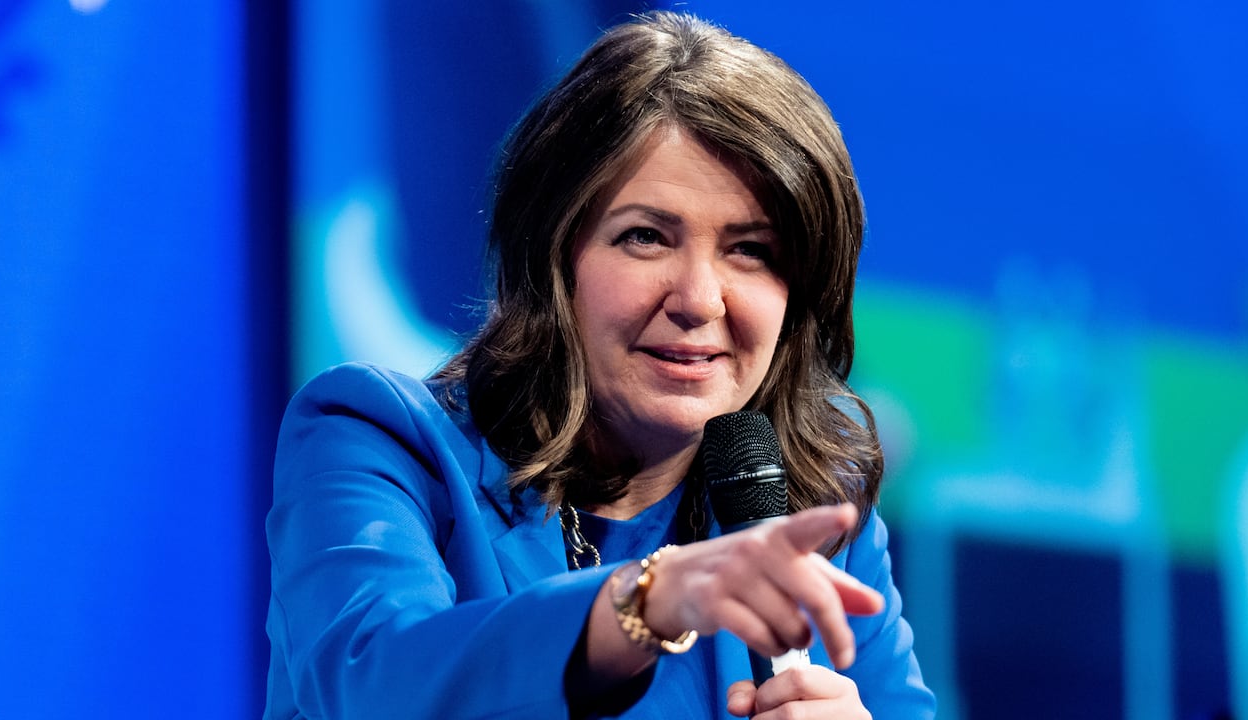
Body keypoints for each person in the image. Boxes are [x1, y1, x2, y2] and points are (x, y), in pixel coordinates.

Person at [264, 11, 935, 719]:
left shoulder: (816, 512)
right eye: (645, 237)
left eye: (751, 251)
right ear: (554, 258)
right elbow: (373, 683)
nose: (699, 300)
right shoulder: (380, 441)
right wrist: (650, 600)